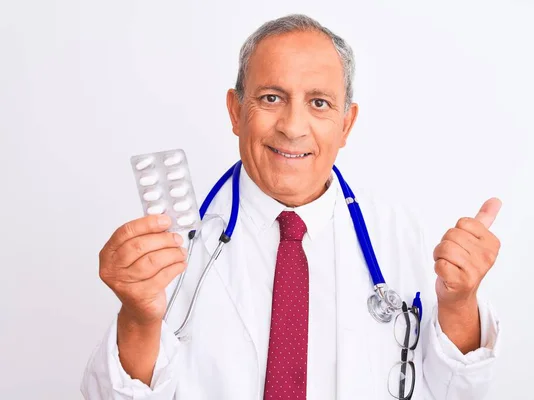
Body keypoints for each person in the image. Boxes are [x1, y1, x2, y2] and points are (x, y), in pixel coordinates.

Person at [81, 14, 501, 400]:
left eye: (319, 103)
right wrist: (138, 317)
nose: (293, 127)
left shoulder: (398, 232)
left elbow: (456, 391)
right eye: (270, 98)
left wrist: (459, 303)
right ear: (235, 111)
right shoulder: (170, 247)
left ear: (346, 124)